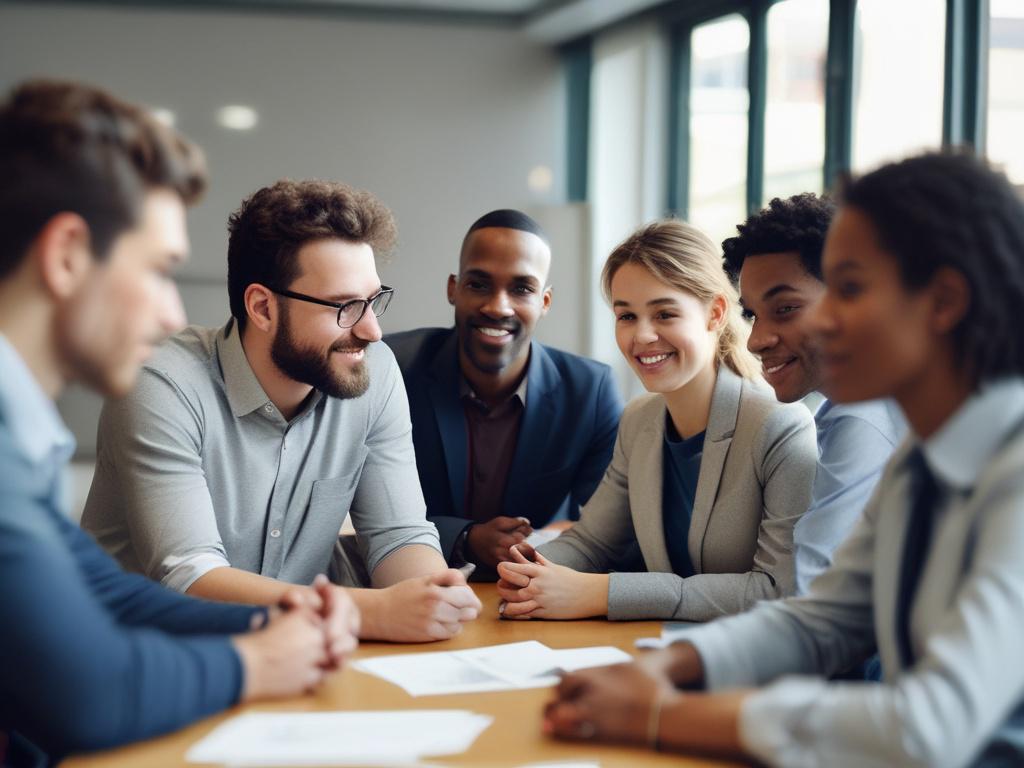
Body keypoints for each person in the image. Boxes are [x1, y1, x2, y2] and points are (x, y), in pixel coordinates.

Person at [542, 151, 1024, 768]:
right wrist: (664, 668)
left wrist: (663, 714)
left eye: (849, 289)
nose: (765, 336)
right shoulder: (918, 463)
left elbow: (927, 728)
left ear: (944, 300)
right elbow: (821, 619)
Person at [0, 80, 359, 767]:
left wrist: (277, 619)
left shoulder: (18, 432)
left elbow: (99, 589)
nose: (172, 313)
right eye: (159, 270)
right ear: (68, 254)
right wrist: (257, 663)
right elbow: (91, 693)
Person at [81, 179, 481, 643]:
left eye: (373, 300)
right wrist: (372, 612)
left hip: (288, 651)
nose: (372, 330)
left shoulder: (372, 372)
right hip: (142, 658)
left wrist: (430, 594)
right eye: (345, 306)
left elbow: (398, 534)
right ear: (262, 307)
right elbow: (189, 577)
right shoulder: (159, 383)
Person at [496, 219, 817, 621]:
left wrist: (604, 593)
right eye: (626, 316)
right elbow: (593, 543)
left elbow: (776, 590)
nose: (642, 336)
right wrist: (527, 568)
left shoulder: (780, 425)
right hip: (659, 651)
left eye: (664, 314)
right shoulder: (640, 420)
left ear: (715, 313)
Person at [386, 209, 623, 571]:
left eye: (521, 288)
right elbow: (357, 511)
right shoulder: (393, 369)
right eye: (479, 284)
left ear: (544, 302)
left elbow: (610, 530)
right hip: (408, 586)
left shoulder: (590, 392)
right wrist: (464, 537)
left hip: (536, 595)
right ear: (453, 288)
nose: (498, 306)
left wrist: (552, 540)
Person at [723, 193, 905, 594]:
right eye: (752, 314)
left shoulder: (864, 414)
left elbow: (814, 594)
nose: (756, 340)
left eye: (785, 308)